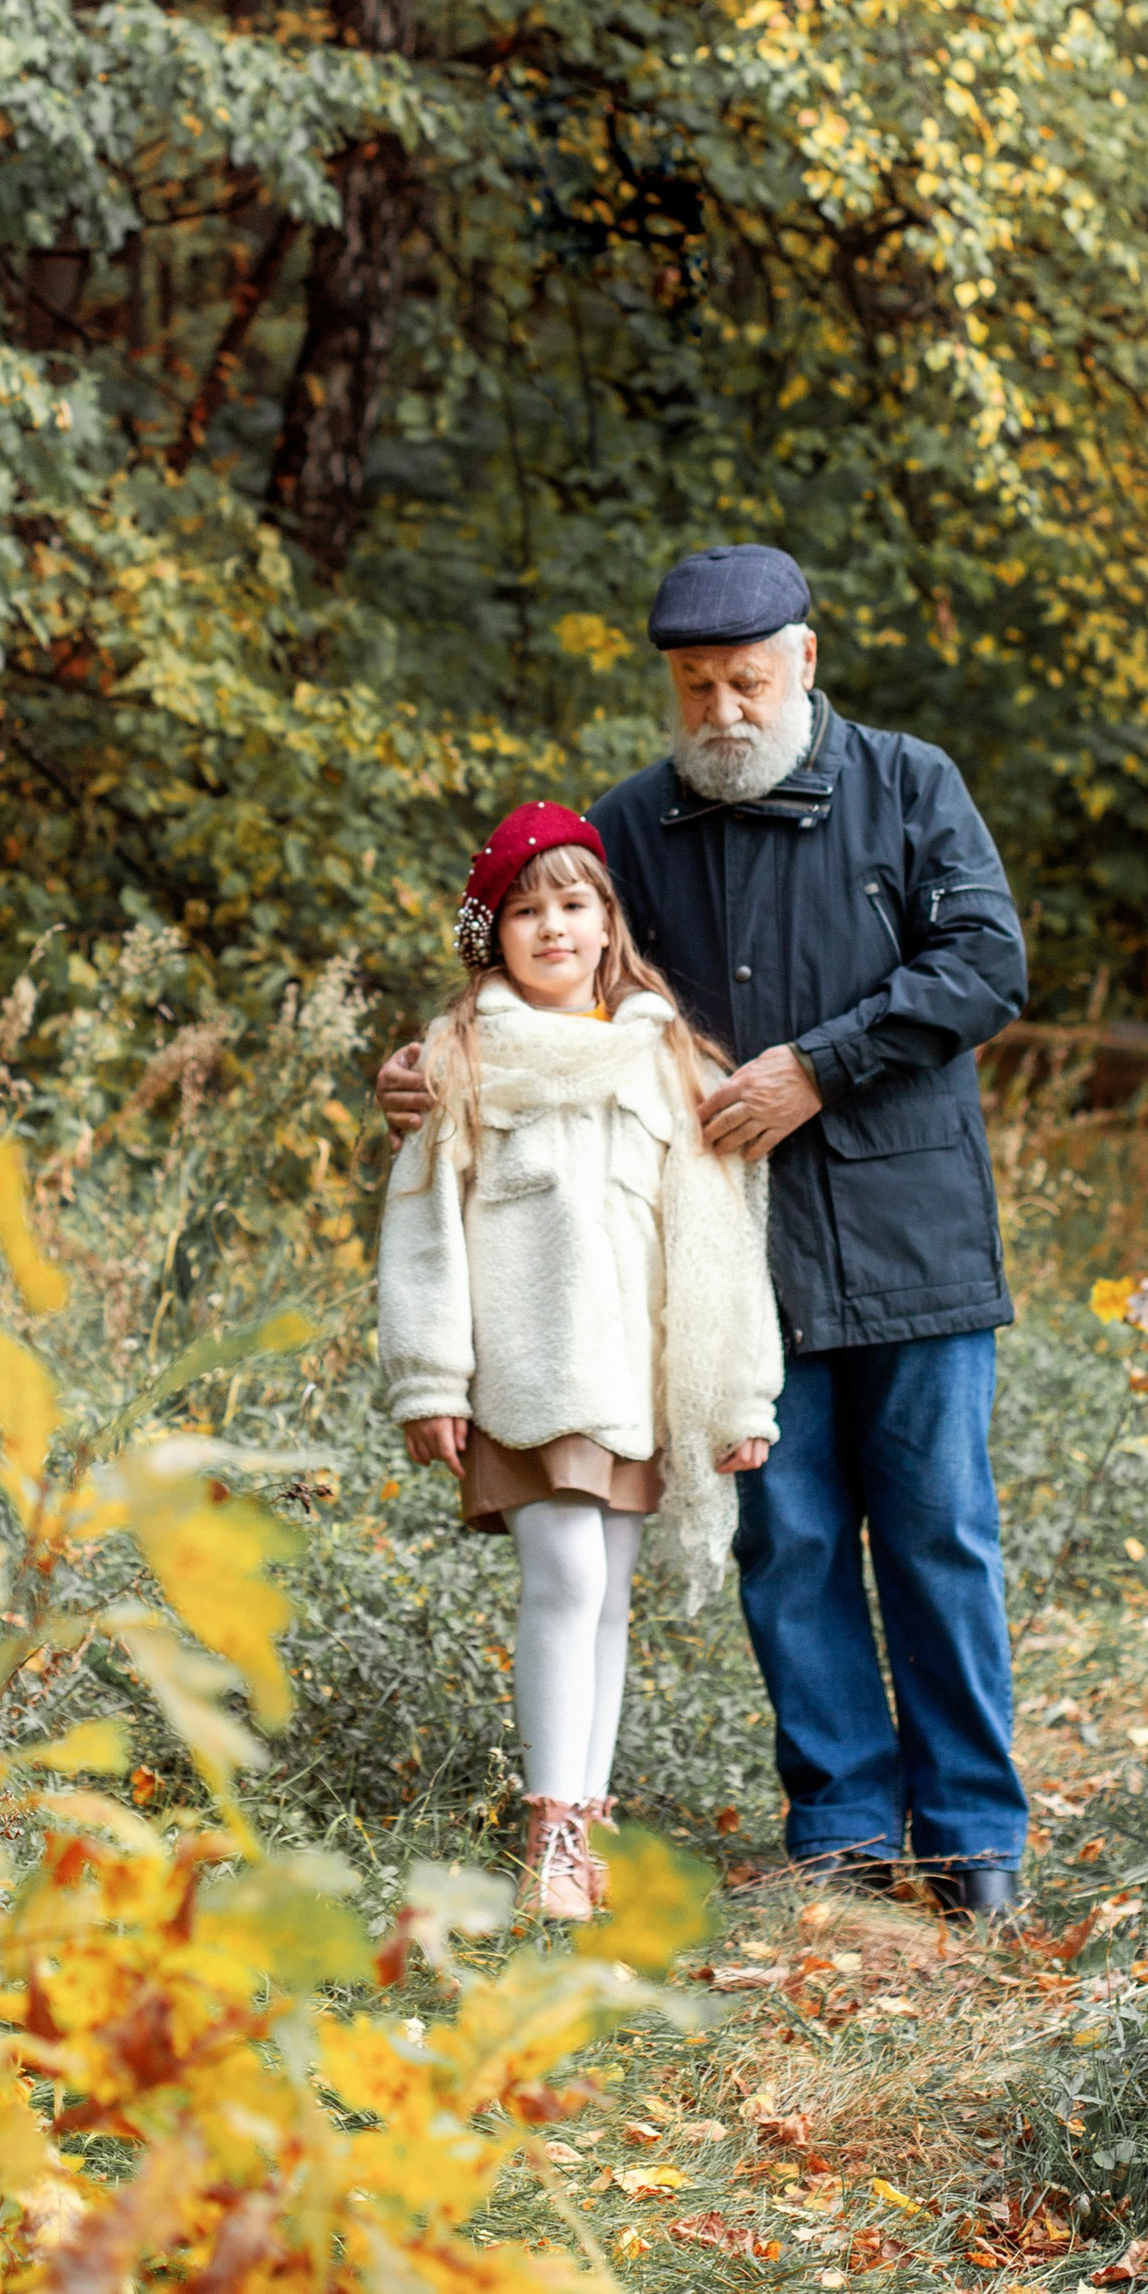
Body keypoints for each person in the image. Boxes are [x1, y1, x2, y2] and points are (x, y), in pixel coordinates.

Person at [377, 544, 1031, 1914]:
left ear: (805, 659)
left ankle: (975, 1842)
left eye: (746, 679)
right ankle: (844, 1841)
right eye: (695, 686)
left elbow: (986, 964)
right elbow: (556, 966)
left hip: (912, 1233)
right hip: (723, 1259)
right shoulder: (630, 827)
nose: (723, 710)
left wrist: (819, 1063)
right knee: (785, 1545)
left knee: (939, 1533)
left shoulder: (910, 787)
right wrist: (434, 1068)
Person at [375, 799, 783, 1920]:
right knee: (565, 1581)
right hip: (527, 1376)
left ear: (608, 921)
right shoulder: (460, 1060)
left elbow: (716, 1238)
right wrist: (429, 1377)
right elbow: (423, 1230)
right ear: (489, 936)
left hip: (632, 1383)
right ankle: (548, 1830)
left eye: (573, 904)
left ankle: (586, 1821)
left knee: (606, 1599)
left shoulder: (663, 1060)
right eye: (524, 912)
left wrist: (736, 1390)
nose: (552, 929)